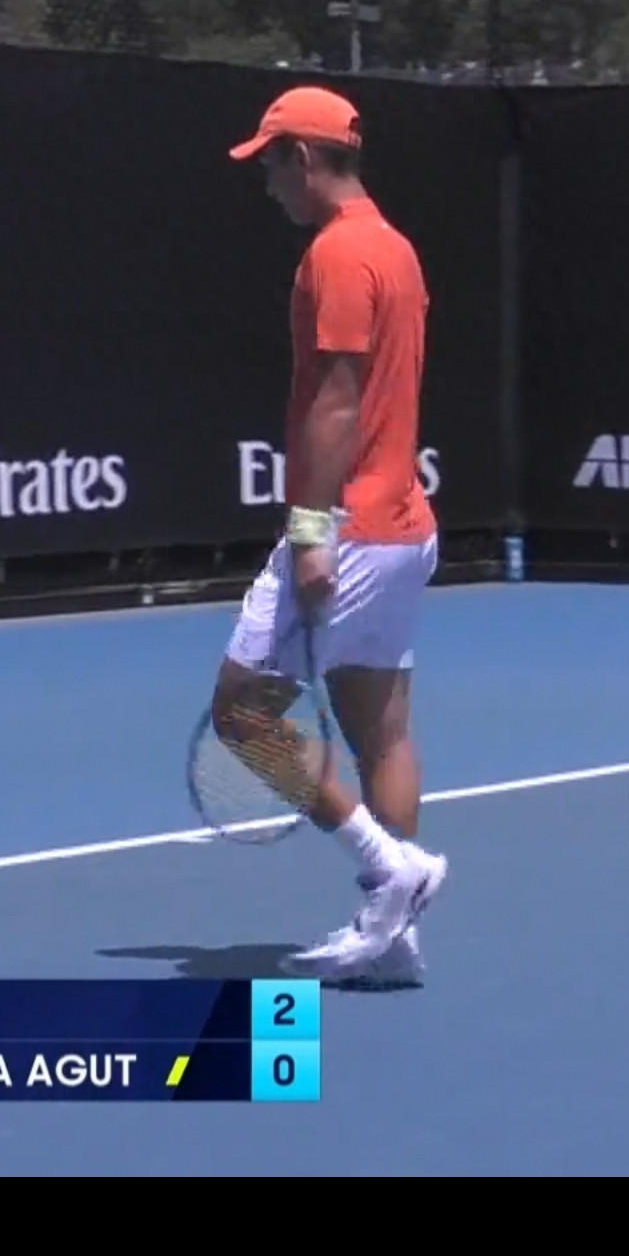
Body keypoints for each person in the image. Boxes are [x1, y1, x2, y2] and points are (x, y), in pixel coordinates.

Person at [214, 86, 448, 986]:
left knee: (242, 713)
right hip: (402, 529)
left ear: (304, 159)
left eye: (270, 163)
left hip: (346, 529)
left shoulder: (340, 254)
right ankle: (395, 937)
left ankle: (392, 870)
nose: (266, 182)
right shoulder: (395, 247)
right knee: (380, 730)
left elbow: (337, 399)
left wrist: (311, 532)